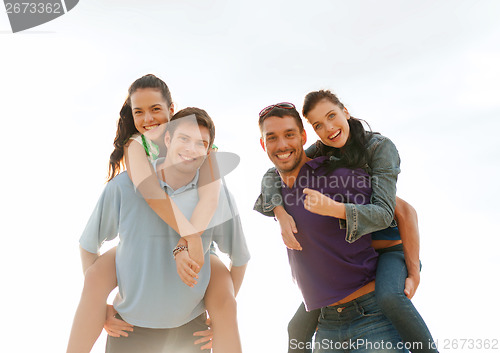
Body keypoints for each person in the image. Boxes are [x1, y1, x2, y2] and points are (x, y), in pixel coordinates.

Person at [66, 75, 248, 353]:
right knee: (95, 276)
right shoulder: (136, 148)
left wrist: (194, 239)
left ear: (171, 111)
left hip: (190, 299)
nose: (148, 118)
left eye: (156, 109)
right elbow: (151, 194)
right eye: (139, 111)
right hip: (144, 248)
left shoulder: (200, 147)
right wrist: (101, 309)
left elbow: (210, 199)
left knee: (222, 283)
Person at [254, 92, 437, 353]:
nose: (328, 128)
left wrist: (413, 270)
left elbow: (401, 212)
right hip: (328, 320)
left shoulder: (368, 155)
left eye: (332, 116)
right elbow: (275, 172)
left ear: (345, 112)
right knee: (295, 328)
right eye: (318, 125)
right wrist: (280, 213)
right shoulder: (315, 157)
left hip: (390, 256)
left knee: (391, 297)